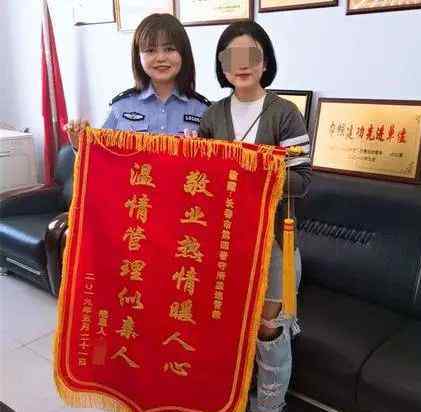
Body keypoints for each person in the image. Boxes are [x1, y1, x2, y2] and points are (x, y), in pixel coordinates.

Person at [198, 21, 311, 412]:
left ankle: (269, 407)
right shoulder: (212, 116)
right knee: (229, 329)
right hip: (225, 245)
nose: (242, 65)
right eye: (233, 58)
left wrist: (253, 171)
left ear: (265, 62)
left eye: (252, 56)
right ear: (222, 65)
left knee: (268, 330)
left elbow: (302, 181)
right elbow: (202, 181)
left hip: (274, 244)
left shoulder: (285, 114)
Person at [65, 13, 210, 147]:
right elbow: (101, 158)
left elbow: (215, 163)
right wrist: (80, 144)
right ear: (138, 56)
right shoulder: (121, 107)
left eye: (169, 49)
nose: (160, 58)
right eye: (150, 50)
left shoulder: (204, 110)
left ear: (184, 54)